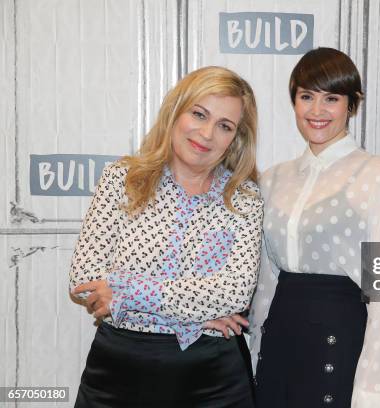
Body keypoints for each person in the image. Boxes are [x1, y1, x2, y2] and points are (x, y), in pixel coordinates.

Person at [69, 66, 263, 408]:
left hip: (215, 382)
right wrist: (201, 314)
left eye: (224, 126)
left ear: (237, 137)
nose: (207, 134)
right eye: (199, 114)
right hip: (118, 374)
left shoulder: (244, 198)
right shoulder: (122, 180)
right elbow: (86, 282)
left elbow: (234, 294)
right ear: (176, 111)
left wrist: (125, 292)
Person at [247, 47, 380, 408]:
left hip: (341, 340)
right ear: (294, 102)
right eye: (306, 96)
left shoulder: (378, 176)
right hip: (279, 343)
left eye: (331, 98)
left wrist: (375, 390)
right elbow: (265, 281)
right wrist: (252, 348)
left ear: (351, 105)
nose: (317, 111)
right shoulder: (272, 180)